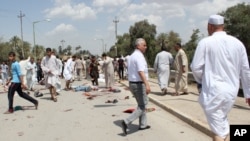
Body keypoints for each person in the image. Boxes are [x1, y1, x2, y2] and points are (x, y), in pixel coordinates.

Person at [190, 14, 250, 141]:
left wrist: (202, 82)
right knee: (222, 125)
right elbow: (245, 70)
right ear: (223, 26)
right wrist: (248, 94)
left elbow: (195, 67)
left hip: (213, 92)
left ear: (209, 26)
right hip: (231, 92)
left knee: (218, 132)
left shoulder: (205, 42)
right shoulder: (238, 43)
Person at [121, 38, 151, 136]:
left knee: (141, 104)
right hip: (138, 84)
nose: (146, 47)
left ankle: (143, 124)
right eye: (144, 45)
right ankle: (126, 121)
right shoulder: (138, 56)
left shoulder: (132, 56)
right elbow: (140, 71)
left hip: (133, 83)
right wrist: (147, 84)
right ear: (138, 46)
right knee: (143, 105)